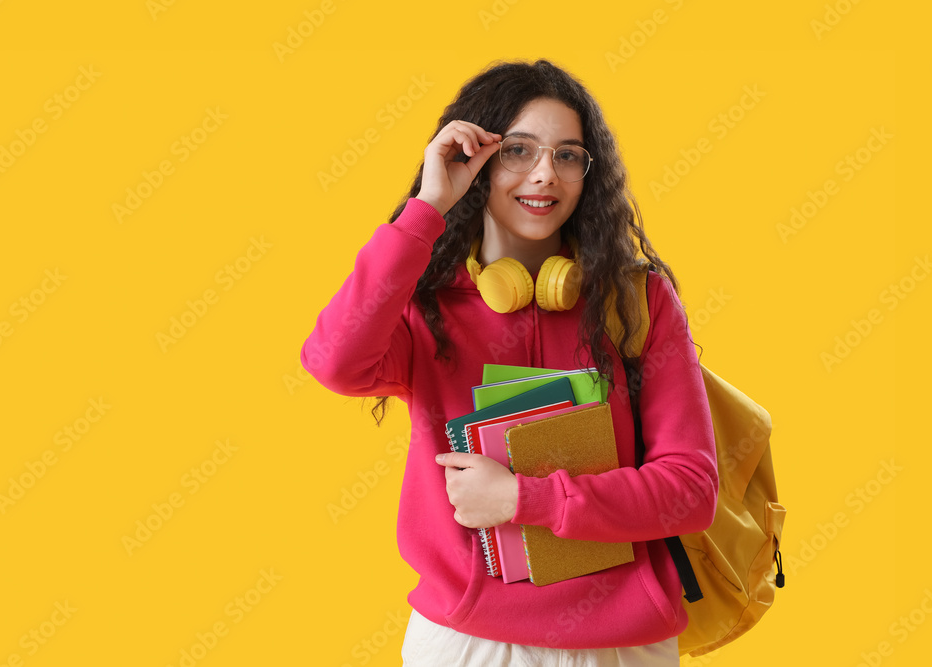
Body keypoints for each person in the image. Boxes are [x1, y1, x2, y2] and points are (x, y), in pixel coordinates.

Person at [301, 59, 717, 666]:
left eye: (568, 155)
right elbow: (335, 362)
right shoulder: (424, 302)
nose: (545, 174)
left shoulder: (639, 300)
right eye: (519, 150)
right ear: (478, 158)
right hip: (468, 640)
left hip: (622, 645)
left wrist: (527, 499)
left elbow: (690, 492)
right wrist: (427, 208)